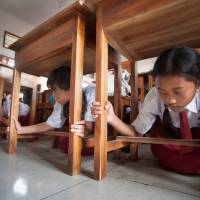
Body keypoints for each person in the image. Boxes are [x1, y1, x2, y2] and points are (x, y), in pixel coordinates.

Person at [90, 47, 200, 174]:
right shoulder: (154, 97)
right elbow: (136, 133)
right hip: (168, 146)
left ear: (197, 83)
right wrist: (111, 118)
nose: (170, 100)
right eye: (162, 91)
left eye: (178, 92)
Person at [14, 66, 95, 139]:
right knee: (65, 144)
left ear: (70, 87)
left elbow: (89, 128)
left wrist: (84, 130)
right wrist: (21, 129)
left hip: (101, 130)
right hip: (84, 132)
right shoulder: (61, 102)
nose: (53, 95)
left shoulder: (91, 93)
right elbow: (49, 124)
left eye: (55, 91)